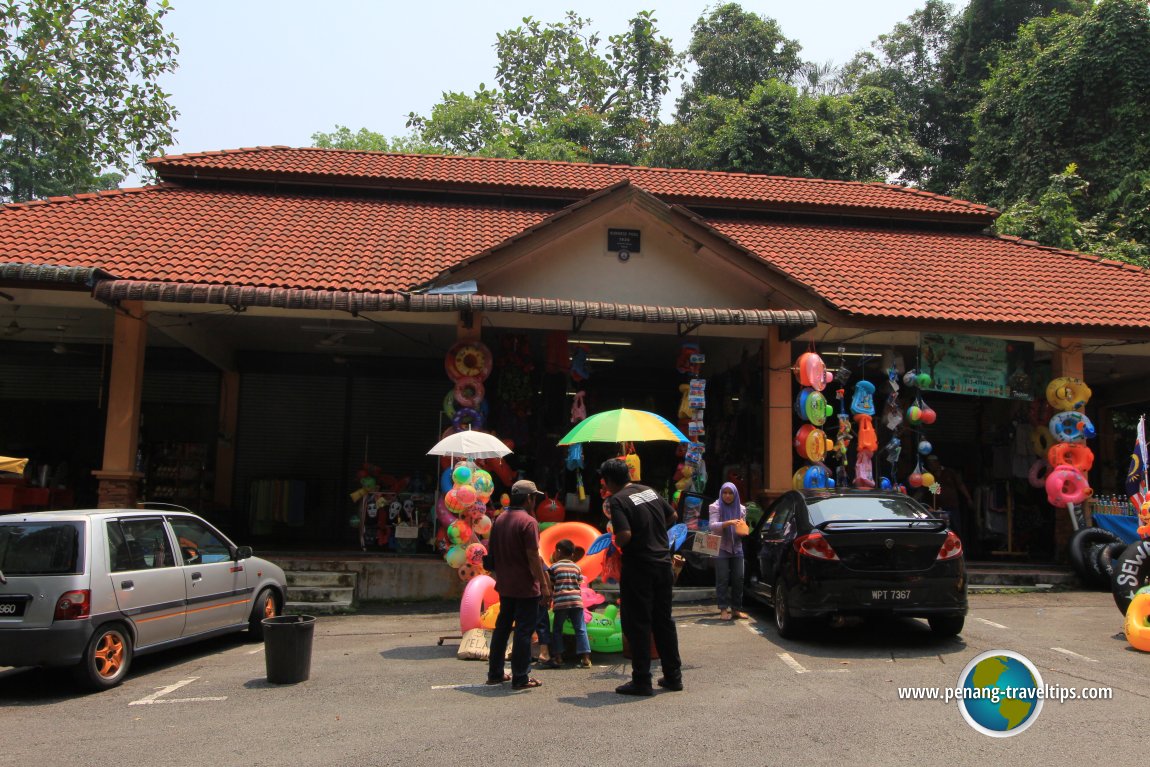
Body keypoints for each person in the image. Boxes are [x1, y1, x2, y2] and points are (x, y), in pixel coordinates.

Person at [600, 457, 683, 696]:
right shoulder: (648, 490)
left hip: (639, 567)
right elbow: (672, 517)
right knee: (663, 621)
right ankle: (673, 677)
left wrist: (615, 546)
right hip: (662, 563)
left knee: (638, 623)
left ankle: (642, 680)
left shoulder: (617, 500)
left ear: (608, 482)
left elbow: (624, 534)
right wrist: (654, 532)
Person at [486, 479, 552, 690]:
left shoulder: (500, 519)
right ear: (529, 499)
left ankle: (495, 673)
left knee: (502, 629)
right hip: (525, 587)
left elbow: (492, 553)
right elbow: (533, 556)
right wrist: (544, 585)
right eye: (534, 497)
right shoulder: (529, 522)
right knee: (524, 631)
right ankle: (521, 677)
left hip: (505, 585)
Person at [544, 538, 592, 669]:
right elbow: (579, 582)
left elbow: (551, 584)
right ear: (572, 554)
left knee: (557, 629)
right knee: (580, 629)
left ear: (558, 552)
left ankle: (558, 657)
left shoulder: (553, 567)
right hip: (576, 601)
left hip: (561, 602)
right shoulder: (577, 567)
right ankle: (586, 658)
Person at [709, 482, 748, 621]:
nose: (727, 496)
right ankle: (723, 609)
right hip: (721, 547)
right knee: (722, 579)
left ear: (735, 494)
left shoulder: (742, 509)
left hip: (737, 548)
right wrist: (729, 522)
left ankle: (736, 609)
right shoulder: (715, 506)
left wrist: (743, 530)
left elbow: (743, 526)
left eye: (730, 493)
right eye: (725, 492)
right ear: (721, 493)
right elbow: (713, 526)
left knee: (739, 578)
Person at [924, 455, 974, 542]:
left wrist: (968, 498)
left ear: (937, 463)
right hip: (939, 508)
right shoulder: (931, 476)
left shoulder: (950, 472)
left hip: (952, 506)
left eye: (932, 464)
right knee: (942, 529)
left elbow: (960, 485)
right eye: (929, 464)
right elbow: (934, 491)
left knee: (956, 528)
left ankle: (959, 546)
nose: (931, 466)